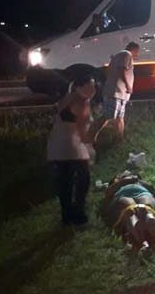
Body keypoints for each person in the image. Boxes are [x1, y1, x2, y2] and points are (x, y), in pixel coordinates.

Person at [47, 75, 96, 225]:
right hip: (72, 147)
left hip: (57, 146)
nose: (94, 89)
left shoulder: (67, 98)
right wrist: (91, 146)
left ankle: (67, 216)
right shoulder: (82, 101)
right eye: (91, 85)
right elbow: (82, 131)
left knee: (65, 182)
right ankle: (79, 214)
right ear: (79, 87)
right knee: (83, 179)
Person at [101, 171, 155, 251]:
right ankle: (139, 227)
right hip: (123, 195)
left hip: (142, 193)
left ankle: (147, 220)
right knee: (130, 209)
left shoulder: (138, 182)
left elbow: (152, 189)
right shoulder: (118, 183)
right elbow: (107, 193)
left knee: (146, 206)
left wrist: (138, 181)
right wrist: (124, 181)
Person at [94, 42, 141, 142]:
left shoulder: (118, 55)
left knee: (120, 117)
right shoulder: (126, 54)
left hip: (119, 93)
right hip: (116, 92)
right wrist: (128, 85)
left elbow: (109, 72)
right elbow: (122, 69)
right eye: (137, 52)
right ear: (134, 49)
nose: (138, 55)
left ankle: (119, 139)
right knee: (108, 116)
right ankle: (91, 134)